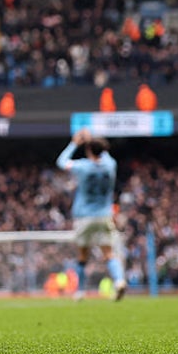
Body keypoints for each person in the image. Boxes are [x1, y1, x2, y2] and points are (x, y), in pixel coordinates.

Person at [56, 128, 127, 301]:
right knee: (108, 253)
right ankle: (119, 281)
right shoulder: (110, 165)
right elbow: (104, 153)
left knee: (82, 255)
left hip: (84, 216)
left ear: (88, 150)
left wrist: (75, 143)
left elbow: (61, 161)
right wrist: (94, 141)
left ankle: (80, 292)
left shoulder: (83, 167)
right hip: (104, 215)